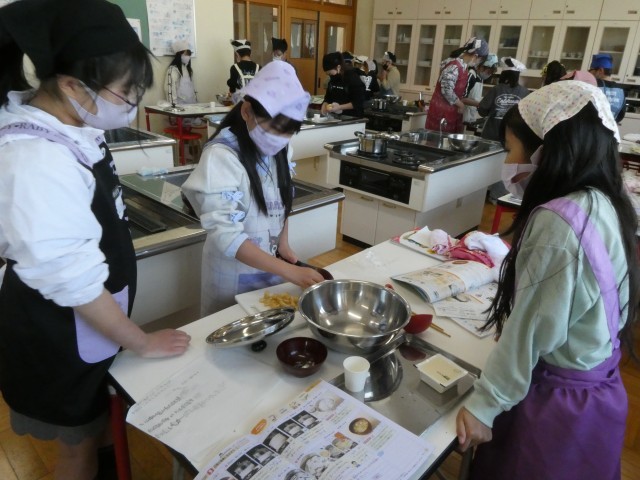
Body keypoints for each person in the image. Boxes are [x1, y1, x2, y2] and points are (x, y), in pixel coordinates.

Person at [0, 1, 192, 479]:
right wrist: (141, 342)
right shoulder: (35, 159)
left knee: (100, 423)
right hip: (58, 333)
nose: (133, 104)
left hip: (91, 324)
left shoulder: (74, 123)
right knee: (77, 447)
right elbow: (74, 281)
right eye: (126, 93)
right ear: (71, 85)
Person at [456, 80, 639, 479]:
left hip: (555, 406)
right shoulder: (605, 201)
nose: (509, 162)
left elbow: (530, 331)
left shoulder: (558, 222)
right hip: (598, 390)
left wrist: (485, 405)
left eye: (510, 149)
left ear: (545, 150)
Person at [182, 61, 323, 315]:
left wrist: (283, 245)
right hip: (230, 278)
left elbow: (282, 197)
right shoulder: (221, 157)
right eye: (274, 128)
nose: (280, 139)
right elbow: (226, 236)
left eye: (288, 132)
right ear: (246, 111)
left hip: (270, 271)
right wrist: (290, 271)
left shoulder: (281, 148)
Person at [425, 37, 488, 134]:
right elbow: (447, 90)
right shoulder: (454, 66)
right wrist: (461, 104)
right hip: (442, 112)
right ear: (475, 56)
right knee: (438, 139)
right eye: (480, 60)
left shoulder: (463, 67)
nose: (478, 63)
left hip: (451, 111)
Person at [478, 56, 529, 141]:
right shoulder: (525, 92)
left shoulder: (496, 89)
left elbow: (482, 110)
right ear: (517, 75)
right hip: (513, 137)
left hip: (492, 133)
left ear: (503, 74)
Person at [320, 51, 366, 117]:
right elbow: (328, 97)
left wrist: (339, 107)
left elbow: (358, 102)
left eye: (330, 73)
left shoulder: (353, 78)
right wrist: (325, 104)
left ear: (338, 67)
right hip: (337, 117)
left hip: (352, 117)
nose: (330, 76)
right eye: (328, 74)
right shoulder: (333, 80)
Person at [589, 53, 626, 123]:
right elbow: (621, 114)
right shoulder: (620, 89)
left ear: (600, 70)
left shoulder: (592, 85)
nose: (590, 73)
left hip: (591, 126)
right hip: (610, 127)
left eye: (591, 70)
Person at [462, 53, 498, 125]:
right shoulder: (471, 75)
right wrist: (481, 104)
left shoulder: (480, 78)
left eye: (491, 73)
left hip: (470, 115)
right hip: (462, 115)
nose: (489, 74)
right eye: (489, 71)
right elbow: (462, 98)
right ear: (481, 67)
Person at [165, 40, 197, 106]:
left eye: (189, 55)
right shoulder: (173, 69)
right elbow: (170, 89)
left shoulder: (188, 69)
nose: (188, 57)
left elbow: (192, 89)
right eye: (186, 54)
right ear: (179, 55)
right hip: (179, 106)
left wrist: (195, 104)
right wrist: (174, 106)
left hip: (191, 104)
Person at [227, 39, 260, 104]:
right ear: (250, 53)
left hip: (240, 104)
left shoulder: (234, 68)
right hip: (256, 104)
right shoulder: (259, 67)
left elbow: (232, 90)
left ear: (237, 54)